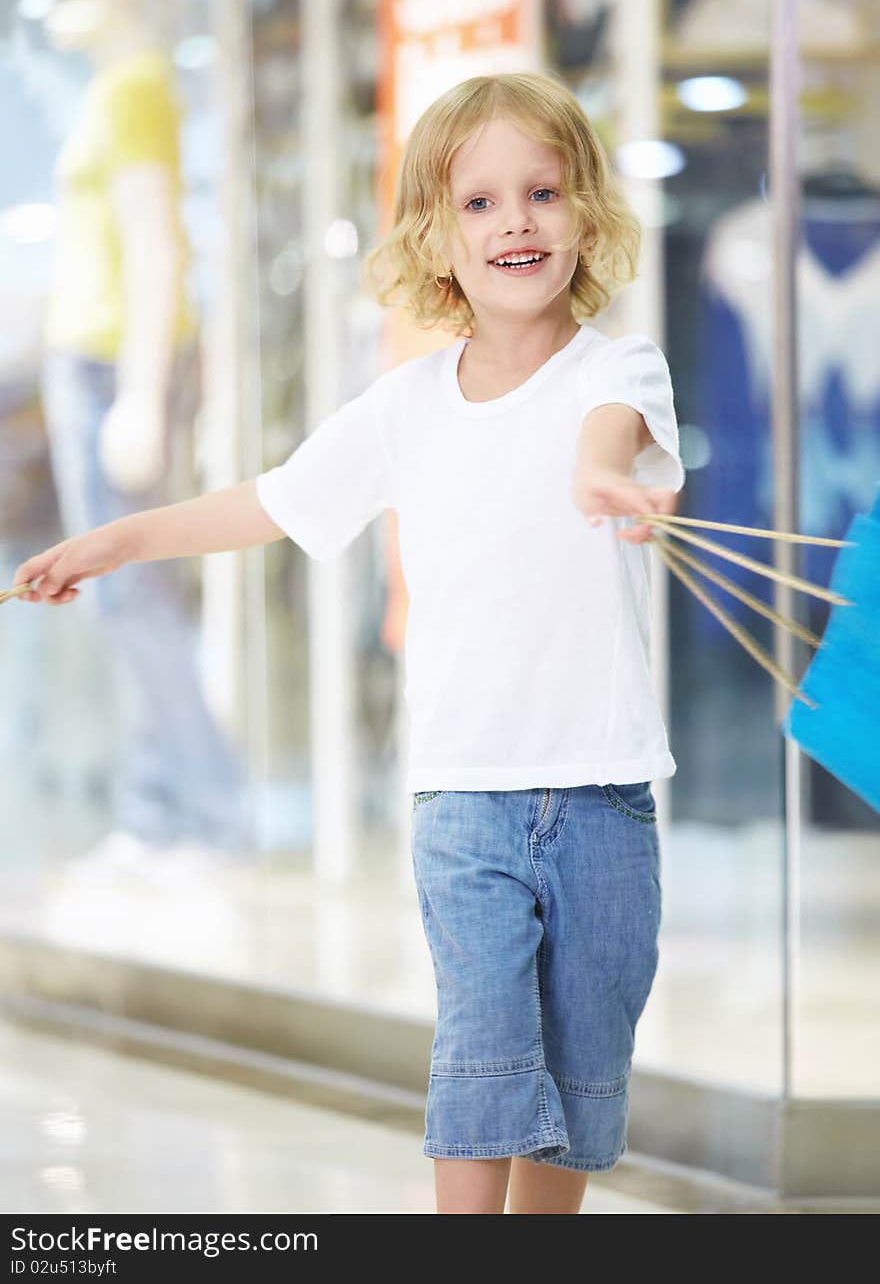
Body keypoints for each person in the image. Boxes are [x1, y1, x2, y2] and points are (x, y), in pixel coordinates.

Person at [12, 71, 684, 1213]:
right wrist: (122, 540)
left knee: (575, 1080)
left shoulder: (617, 374)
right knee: (480, 1057)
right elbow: (272, 502)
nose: (514, 220)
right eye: (478, 203)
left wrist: (602, 477)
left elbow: (602, 445)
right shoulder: (405, 403)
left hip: (605, 796)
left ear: (588, 215)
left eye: (542, 192)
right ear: (433, 232)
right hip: (464, 800)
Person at [33, 0, 247, 875]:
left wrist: (142, 397)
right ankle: (167, 810)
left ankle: (198, 814)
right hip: (94, 362)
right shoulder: (114, 92)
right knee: (127, 599)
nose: (52, 8)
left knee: (131, 596)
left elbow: (159, 248)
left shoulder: (135, 91)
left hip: (118, 364)